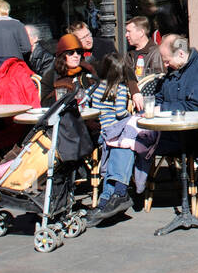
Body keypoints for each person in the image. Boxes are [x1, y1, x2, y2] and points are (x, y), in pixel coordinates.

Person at [86, 53, 153, 221]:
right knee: (127, 139)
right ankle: (119, 192)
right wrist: (129, 115)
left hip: (101, 131)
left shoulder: (97, 86)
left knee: (120, 144)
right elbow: (119, 112)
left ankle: (106, 199)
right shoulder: (121, 89)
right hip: (114, 129)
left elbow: (86, 100)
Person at [40, 33, 95, 104]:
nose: (76, 55)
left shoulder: (87, 71)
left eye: (78, 52)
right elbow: (45, 103)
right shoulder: (52, 75)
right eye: (70, 52)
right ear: (62, 56)